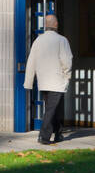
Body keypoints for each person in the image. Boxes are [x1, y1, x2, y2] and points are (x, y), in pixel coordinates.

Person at [23, 13, 73, 144]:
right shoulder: (62, 40)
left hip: (43, 82)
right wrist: (67, 76)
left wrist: (28, 82)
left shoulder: (38, 41)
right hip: (57, 81)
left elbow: (31, 62)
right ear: (56, 25)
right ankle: (43, 137)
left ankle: (58, 134)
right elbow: (67, 61)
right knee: (52, 109)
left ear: (45, 25)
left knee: (55, 109)